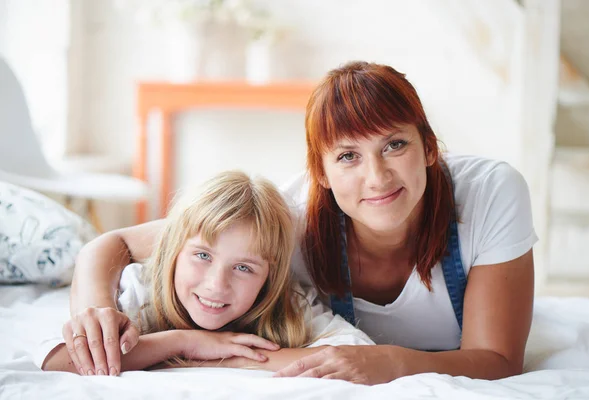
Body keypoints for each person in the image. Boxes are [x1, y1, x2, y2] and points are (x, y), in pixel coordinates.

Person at [66, 61, 536, 385]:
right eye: (348, 156)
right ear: (321, 174)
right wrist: (95, 312)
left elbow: (498, 360)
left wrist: (388, 363)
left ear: (430, 148)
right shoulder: (285, 218)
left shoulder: (489, 193)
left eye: (395, 145)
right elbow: (114, 244)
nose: (377, 177)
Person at [38, 171, 373, 375]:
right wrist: (186, 342)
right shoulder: (140, 289)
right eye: (202, 255)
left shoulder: (290, 305)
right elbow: (59, 361)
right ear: (172, 251)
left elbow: (357, 356)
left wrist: (228, 357)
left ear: (269, 278)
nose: (217, 285)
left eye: (244, 267)